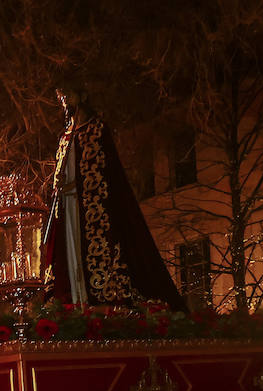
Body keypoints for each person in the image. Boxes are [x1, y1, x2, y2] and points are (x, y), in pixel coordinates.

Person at [42, 87, 186, 310]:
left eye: (68, 94)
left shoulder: (96, 129)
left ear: (82, 95)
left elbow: (107, 173)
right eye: (61, 96)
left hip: (90, 207)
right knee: (67, 256)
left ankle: (94, 301)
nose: (64, 101)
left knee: (92, 254)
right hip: (67, 207)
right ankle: (73, 301)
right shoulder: (64, 138)